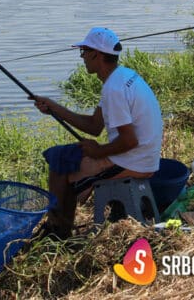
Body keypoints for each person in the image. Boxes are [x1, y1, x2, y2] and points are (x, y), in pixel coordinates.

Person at [32, 27, 163, 239]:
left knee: (62, 168)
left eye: (84, 51)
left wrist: (99, 151)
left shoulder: (114, 88)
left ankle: (57, 231)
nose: (82, 57)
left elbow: (129, 140)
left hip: (134, 162)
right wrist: (55, 108)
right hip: (140, 157)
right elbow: (94, 125)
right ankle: (59, 228)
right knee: (59, 156)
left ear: (97, 54)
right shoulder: (122, 77)